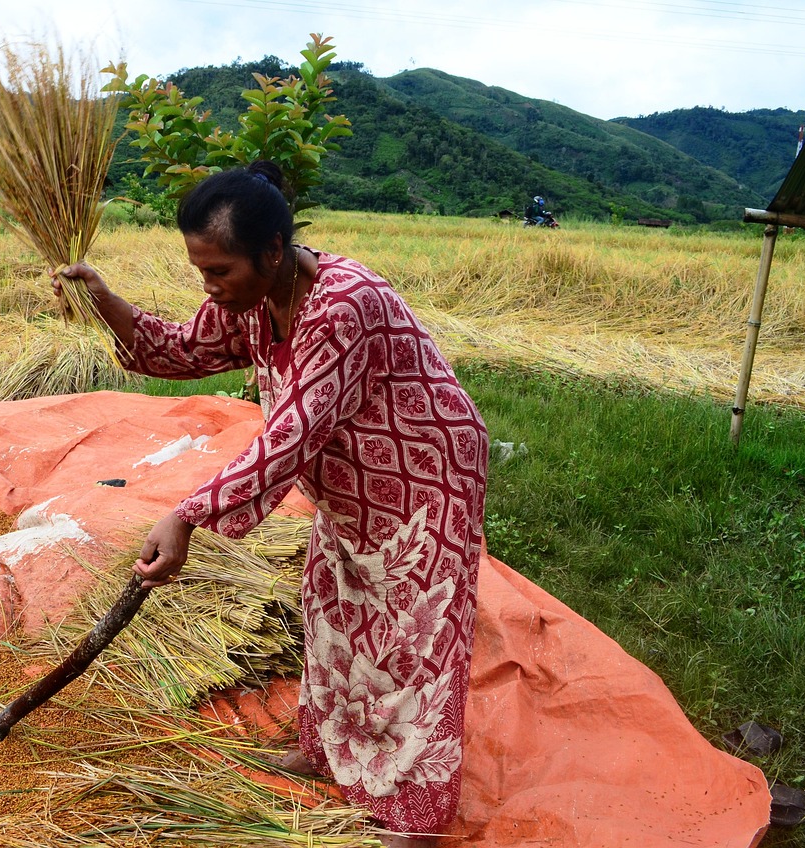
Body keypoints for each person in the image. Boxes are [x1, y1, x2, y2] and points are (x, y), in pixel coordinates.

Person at [56, 160, 488, 846]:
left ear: (273, 252)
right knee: (337, 615)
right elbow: (181, 348)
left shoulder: (344, 303)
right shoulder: (254, 297)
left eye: (220, 271)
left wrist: (187, 515)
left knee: (414, 641)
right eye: (202, 271)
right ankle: (329, 755)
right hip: (350, 485)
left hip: (423, 481)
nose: (210, 287)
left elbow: (291, 434)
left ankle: (414, 816)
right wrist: (103, 297)